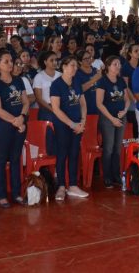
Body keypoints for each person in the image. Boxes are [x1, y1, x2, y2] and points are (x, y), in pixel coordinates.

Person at [0, 49, 30, 207]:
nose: (10, 64)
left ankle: (16, 193)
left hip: (19, 123)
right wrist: (15, 121)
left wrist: (22, 118)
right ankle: (1, 194)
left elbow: (25, 102)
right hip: (4, 126)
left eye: (11, 61)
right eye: (6, 61)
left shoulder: (19, 80)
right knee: (1, 159)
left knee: (15, 159)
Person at [49, 54, 88, 200]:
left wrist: (82, 121)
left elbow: (82, 102)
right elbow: (56, 109)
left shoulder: (77, 82)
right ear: (64, 67)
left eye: (76, 66)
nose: (75, 68)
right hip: (63, 125)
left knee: (74, 153)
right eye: (72, 65)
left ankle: (72, 185)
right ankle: (61, 186)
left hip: (78, 124)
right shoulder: (56, 85)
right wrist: (72, 124)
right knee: (62, 153)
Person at [95, 55, 130, 189]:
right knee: (108, 148)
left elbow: (127, 99)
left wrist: (125, 110)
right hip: (108, 118)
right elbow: (99, 103)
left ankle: (116, 174)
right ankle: (107, 176)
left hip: (121, 116)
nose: (118, 66)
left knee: (117, 147)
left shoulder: (121, 80)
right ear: (108, 66)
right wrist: (112, 118)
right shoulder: (103, 81)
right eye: (115, 64)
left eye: (119, 64)